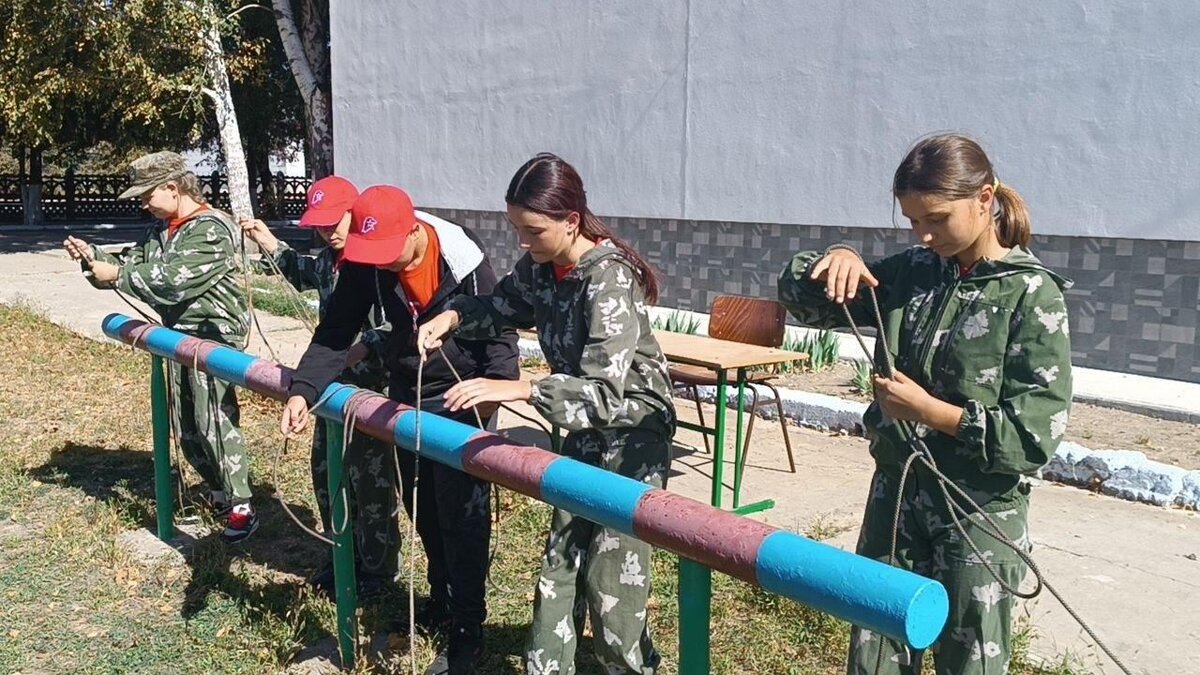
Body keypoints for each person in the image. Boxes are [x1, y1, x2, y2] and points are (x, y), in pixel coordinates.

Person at [777, 133, 1073, 675]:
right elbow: (804, 303)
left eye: (936, 218)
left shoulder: (1030, 295)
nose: (925, 234)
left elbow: (1033, 438)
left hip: (977, 509)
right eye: (913, 221)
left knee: (970, 661)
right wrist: (835, 257)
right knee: (877, 652)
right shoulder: (914, 273)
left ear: (985, 199)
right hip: (897, 494)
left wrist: (931, 412)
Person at [417, 153, 676, 675]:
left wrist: (518, 388)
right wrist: (451, 315)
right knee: (561, 560)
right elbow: (500, 307)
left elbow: (604, 391)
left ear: (570, 221)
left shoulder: (608, 280)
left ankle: (626, 666)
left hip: (631, 438)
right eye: (517, 230)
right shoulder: (542, 269)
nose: (523, 243)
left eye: (532, 231)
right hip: (583, 430)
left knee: (611, 579)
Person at [280, 184, 519, 675]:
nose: (384, 265)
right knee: (421, 504)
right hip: (409, 389)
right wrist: (303, 389)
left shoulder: (462, 258)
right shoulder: (369, 255)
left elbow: (500, 329)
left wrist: (496, 388)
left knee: (461, 513)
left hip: (465, 393)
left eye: (393, 255)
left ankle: (468, 630)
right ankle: (439, 599)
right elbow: (336, 328)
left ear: (414, 232)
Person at [63, 151, 259, 543]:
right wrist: (93, 259)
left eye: (146, 195)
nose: (142, 204)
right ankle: (218, 492)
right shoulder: (162, 230)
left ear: (173, 188)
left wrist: (117, 273)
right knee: (185, 424)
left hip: (213, 337)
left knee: (212, 420)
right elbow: (136, 263)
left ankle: (242, 504)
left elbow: (172, 281)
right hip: (176, 337)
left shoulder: (211, 229)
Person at [240, 175, 399, 593]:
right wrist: (269, 242)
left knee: (372, 482)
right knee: (328, 473)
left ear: (355, 214)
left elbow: (398, 321)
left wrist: (365, 346)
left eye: (336, 222)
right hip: (329, 387)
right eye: (321, 225)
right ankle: (340, 552)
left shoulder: (379, 262)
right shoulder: (332, 261)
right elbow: (305, 270)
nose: (329, 232)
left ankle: (377, 570)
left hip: (371, 392)